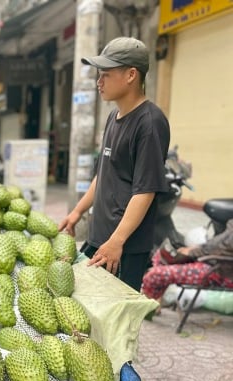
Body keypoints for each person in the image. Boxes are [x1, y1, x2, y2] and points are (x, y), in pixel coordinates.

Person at [58, 37, 170, 291]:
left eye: (106, 75)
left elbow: (145, 190)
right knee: (90, 322)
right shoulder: (113, 117)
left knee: (115, 325)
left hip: (124, 247)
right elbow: (104, 174)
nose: (99, 82)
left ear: (131, 75)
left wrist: (117, 241)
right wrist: (77, 213)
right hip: (101, 239)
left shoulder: (150, 123)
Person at [142, 220, 233, 303]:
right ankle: (154, 302)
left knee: (155, 274)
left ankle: (145, 306)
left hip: (220, 271)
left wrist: (192, 252)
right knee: (161, 257)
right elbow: (220, 243)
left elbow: (224, 245)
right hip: (213, 261)